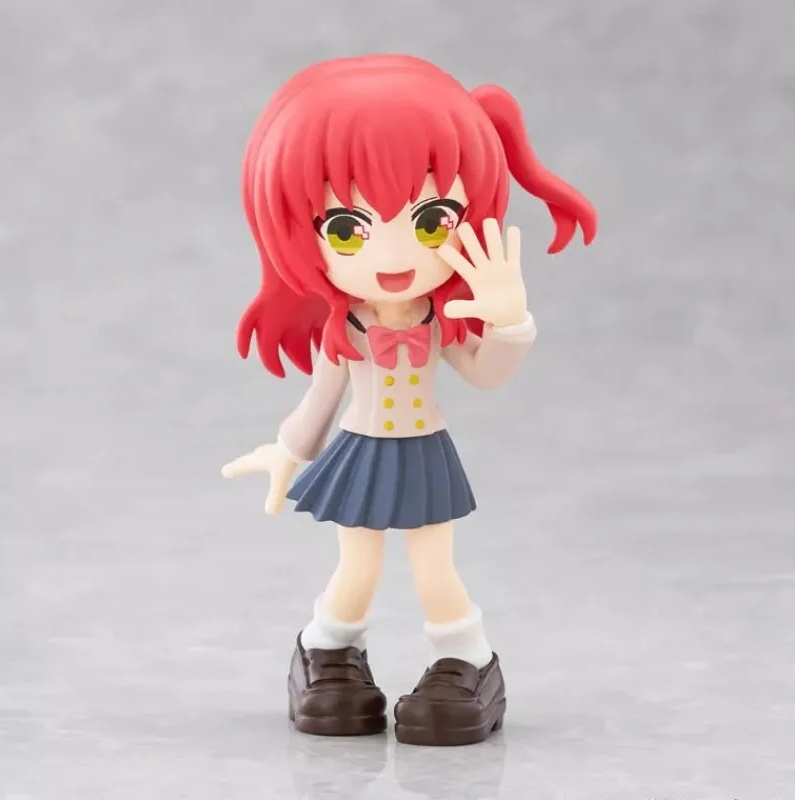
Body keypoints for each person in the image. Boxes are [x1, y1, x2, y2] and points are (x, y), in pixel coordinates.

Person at [222, 54, 596, 746]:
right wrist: (286, 451)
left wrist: (509, 321)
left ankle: (467, 661)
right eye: (346, 229)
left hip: (424, 453)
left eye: (430, 222)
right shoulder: (347, 329)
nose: (393, 257)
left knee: (435, 567)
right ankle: (327, 651)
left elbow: (485, 374)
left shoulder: (438, 321)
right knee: (357, 566)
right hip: (361, 455)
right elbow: (320, 400)